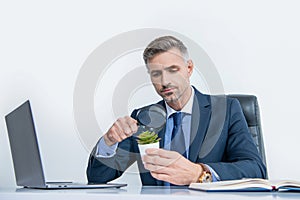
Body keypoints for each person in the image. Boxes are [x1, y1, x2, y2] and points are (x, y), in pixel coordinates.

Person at [86, 36, 267, 186]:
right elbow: (97, 178)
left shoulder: (226, 110)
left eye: (173, 70)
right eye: (156, 74)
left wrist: (199, 173)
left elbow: (255, 169)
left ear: (189, 68)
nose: (165, 81)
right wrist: (108, 142)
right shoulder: (143, 118)